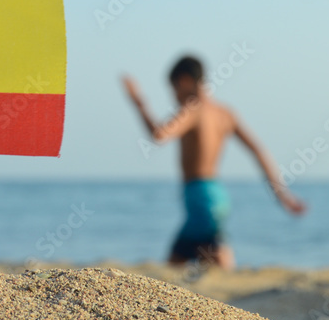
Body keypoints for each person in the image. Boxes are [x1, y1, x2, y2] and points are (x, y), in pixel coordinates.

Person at [122, 55, 306, 271]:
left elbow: (160, 135)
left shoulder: (192, 109)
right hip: (215, 195)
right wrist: (282, 194)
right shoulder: (225, 113)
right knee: (175, 264)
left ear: (184, 81)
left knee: (218, 261)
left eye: (174, 90)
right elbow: (259, 151)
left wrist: (139, 103)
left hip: (201, 198)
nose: (175, 97)